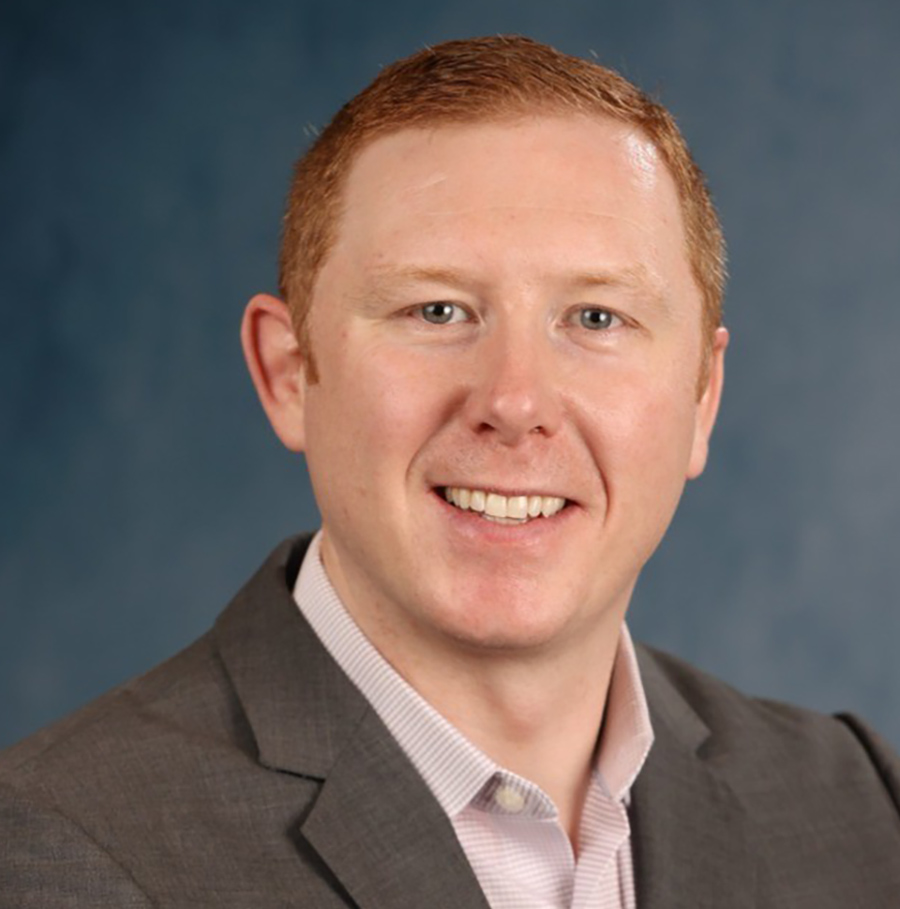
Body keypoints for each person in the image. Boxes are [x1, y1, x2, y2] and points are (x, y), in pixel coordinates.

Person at [1, 35, 898, 908]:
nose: (515, 400)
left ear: (701, 397)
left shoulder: (860, 807)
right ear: (288, 372)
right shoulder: (61, 852)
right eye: (437, 310)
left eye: (595, 318)